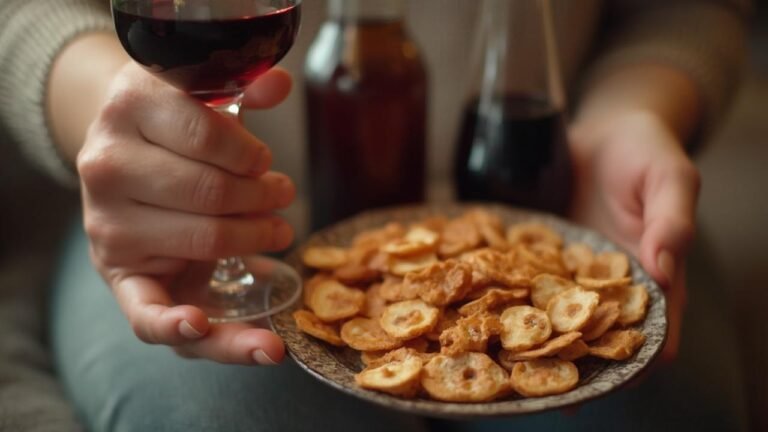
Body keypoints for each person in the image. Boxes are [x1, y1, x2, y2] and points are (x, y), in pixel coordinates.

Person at [0, 0, 749, 431]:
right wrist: (104, 109)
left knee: (662, 416)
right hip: (169, 210)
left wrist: (635, 109)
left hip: (562, 179)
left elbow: (690, 7)